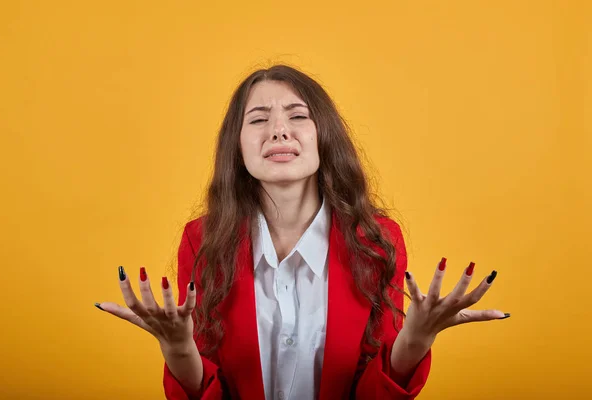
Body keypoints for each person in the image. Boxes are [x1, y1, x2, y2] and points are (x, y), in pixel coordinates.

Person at [96, 64, 510, 399]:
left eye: (297, 116)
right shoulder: (201, 241)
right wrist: (178, 349)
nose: (279, 130)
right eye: (259, 119)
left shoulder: (377, 242)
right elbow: (207, 389)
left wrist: (416, 339)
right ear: (236, 148)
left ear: (323, 137)